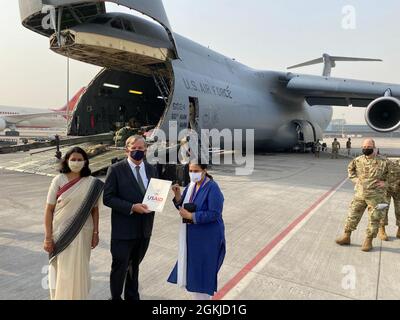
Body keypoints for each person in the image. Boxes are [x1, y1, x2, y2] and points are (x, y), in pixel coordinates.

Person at [44, 147, 104, 300]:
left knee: (80, 268)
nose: (76, 162)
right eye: (73, 159)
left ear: (85, 162)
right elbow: (49, 210)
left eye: (79, 160)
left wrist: (96, 233)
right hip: (61, 232)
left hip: (84, 231)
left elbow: (95, 211)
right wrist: (48, 237)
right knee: (62, 270)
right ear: (67, 161)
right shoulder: (58, 180)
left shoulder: (92, 183)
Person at [103, 135, 158, 300]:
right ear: (127, 150)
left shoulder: (151, 169)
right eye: (134, 149)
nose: (137, 152)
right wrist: (132, 207)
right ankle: (116, 297)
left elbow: (154, 194)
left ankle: (132, 296)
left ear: (146, 150)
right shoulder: (116, 169)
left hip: (144, 228)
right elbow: (108, 198)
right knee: (120, 266)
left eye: (141, 149)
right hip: (123, 230)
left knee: (135, 266)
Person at [168, 160, 226, 300]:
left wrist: (192, 216)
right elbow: (184, 208)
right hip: (194, 237)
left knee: (203, 272)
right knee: (194, 272)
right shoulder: (191, 186)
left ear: (204, 171)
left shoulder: (212, 188)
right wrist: (177, 196)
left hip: (207, 238)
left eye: (196, 171)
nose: (193, 174)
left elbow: (215, 213)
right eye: (191, 171)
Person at [336, 139, 389, 252]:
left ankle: (368, 241)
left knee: (374, 219)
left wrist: (386, 183)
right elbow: (351, 171)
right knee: (352, 215)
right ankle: (346, 236)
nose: (366, 148)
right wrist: (356, 180)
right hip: (360, 194)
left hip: (377, 197)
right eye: (364, 146)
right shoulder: (358, 160)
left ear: (374, 147)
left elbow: (394, 173)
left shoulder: (384, 161)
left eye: (368, 146)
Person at [378, 158, 400, 241]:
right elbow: (379, 175)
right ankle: (382, 229)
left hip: (399, 190)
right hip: (386, 190)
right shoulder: (388, 163)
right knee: (383, 209)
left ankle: (399, 230)